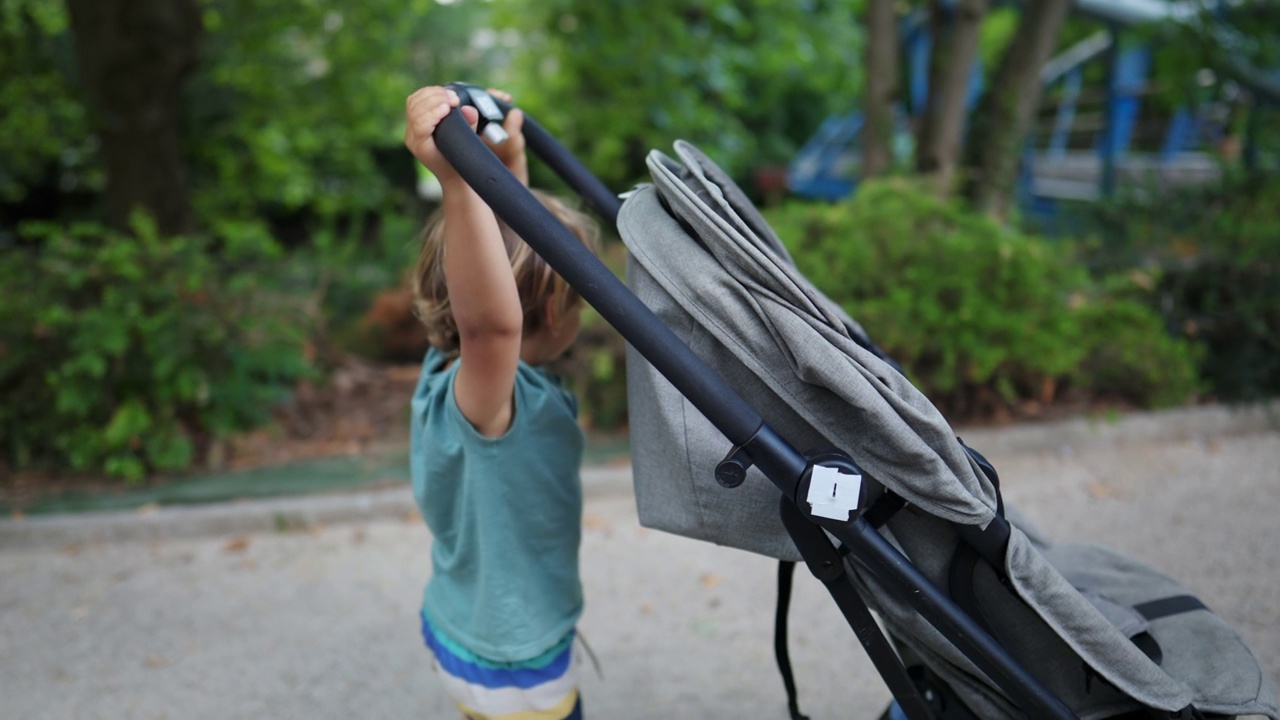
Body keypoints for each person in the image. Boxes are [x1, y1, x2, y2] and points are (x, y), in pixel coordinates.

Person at [402, 85, 601, 720]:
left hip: (470, 624)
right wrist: (458, 185)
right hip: (511, 661)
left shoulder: (455, 371)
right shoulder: (493, 397)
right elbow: (493, 322)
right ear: (552, 310)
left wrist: (502, 165)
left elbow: (491, 292)